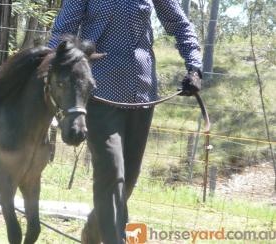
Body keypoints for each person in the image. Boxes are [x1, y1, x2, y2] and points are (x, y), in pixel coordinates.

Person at [48, 0, 202, 243]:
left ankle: (91, 234)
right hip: (98, 93)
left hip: (142, 93)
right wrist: (58, 74)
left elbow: (179, 24)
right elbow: (62, 32)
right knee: (112, 173)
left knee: (127, 180)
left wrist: (194, 67)